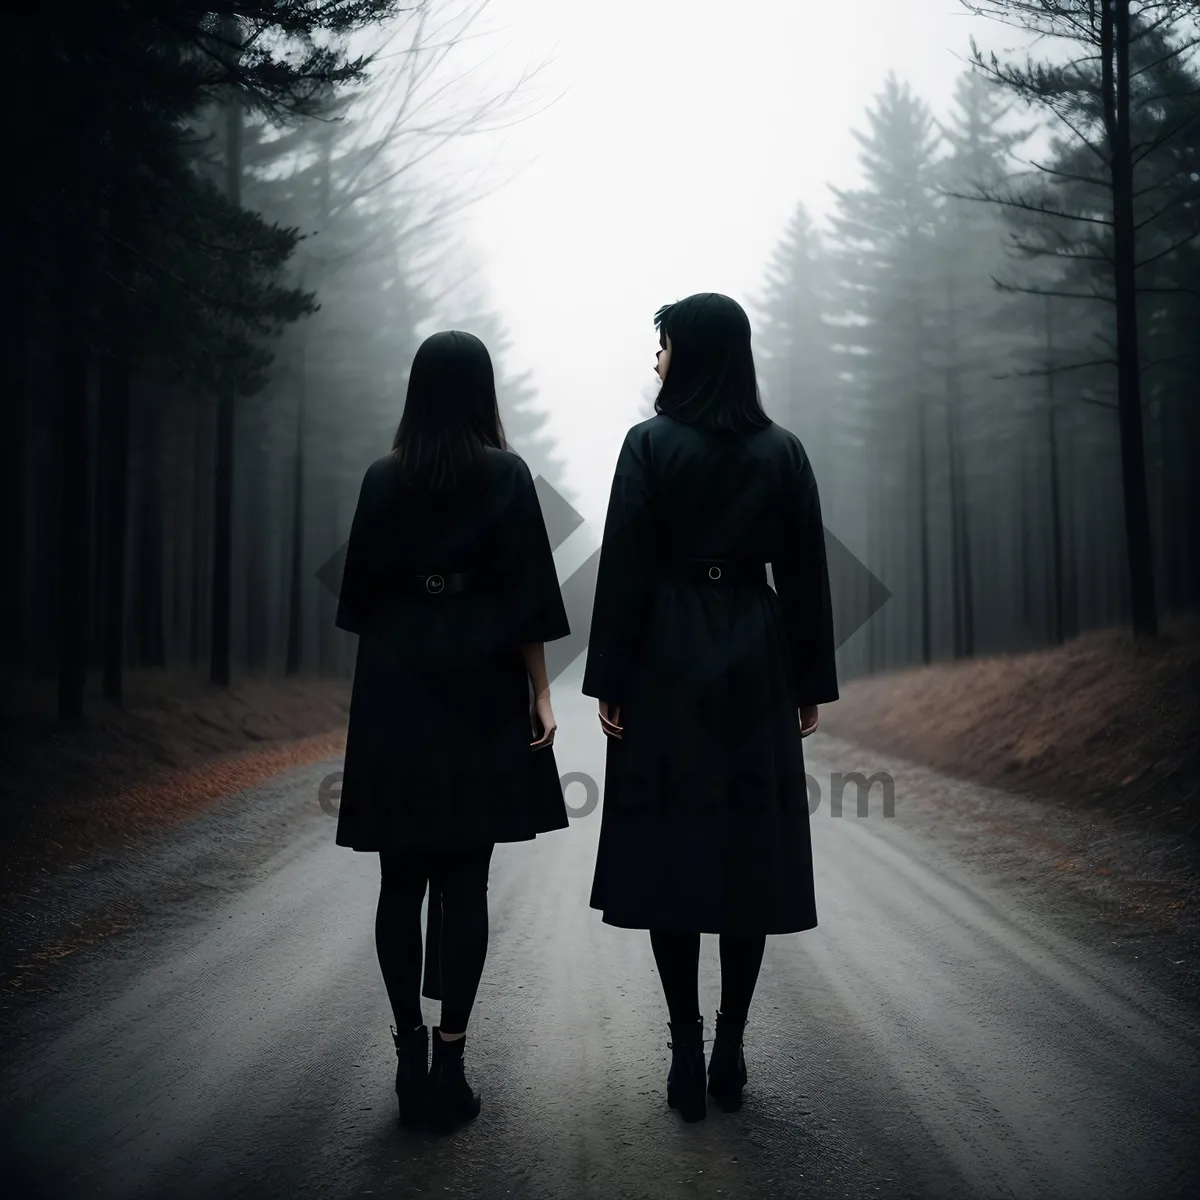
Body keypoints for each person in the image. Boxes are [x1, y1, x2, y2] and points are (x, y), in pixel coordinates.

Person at [581, 293, 838, 1122]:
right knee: (748, 849)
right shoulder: (783, 451)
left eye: (661, 347)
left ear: (688, 354)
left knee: (672, 849)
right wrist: (807, 683)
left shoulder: (648, 446)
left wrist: (611, 677)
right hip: (754, 652)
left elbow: (623, 568)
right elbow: (804, 576)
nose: (654, 360)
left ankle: (686, 1045)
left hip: (668, 652)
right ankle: (731, 1045)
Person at [334, 330, 571, 1134]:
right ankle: (451, 1059)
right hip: (480, 682)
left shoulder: (380, 477)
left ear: (416, 391)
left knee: (398, 880)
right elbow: (530, 598)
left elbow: (356, 605)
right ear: (482, 391)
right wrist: (540, 694)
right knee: (465, 879)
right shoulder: (508, 477)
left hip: (396, 684)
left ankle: (406, 1055)